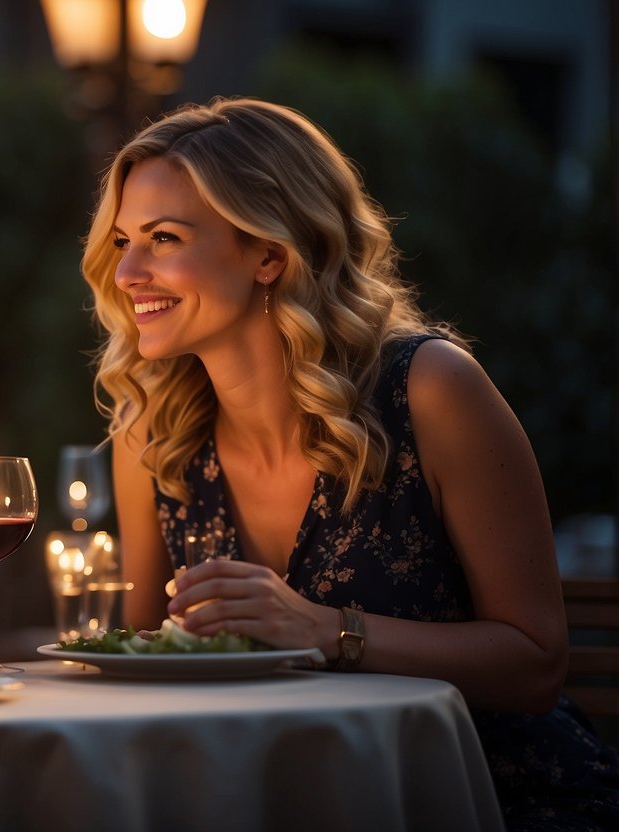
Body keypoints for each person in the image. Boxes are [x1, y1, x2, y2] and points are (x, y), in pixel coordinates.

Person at [82, 97, 619, 829]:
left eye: (163, 238)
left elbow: (534, 664)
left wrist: (324, 629)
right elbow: (144, 665)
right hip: (271, 798)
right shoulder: (153, 434)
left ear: (268, 253)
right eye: (120, 241)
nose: (128, 271)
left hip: (489, 796)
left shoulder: (430, 389)